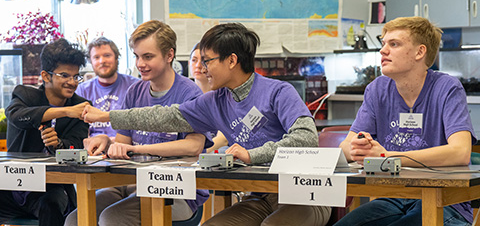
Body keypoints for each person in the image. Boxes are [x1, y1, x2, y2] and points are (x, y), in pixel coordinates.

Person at [82, 23, 331, 226]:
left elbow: (305, 138)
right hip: (259, 196)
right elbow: (164, 116)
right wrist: (106, 117)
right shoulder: (214, 100)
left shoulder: (278, 92)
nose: (200, 69)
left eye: (207, 61)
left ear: (231, 60)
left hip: (304, 195)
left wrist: (251, 155)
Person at [65, 20, 210, 226]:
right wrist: (107, 141)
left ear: (169, 55)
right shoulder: (135, 91)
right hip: (128, 182)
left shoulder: (190, 92)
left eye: (148, 57)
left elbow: (193, 146)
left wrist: (136, 148)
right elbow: (123, 144)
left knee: (112, 218)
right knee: (74, 220)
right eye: (137, 56)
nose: (140, 64)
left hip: (175, 189)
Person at [334, 16, 476, 226]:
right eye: (383, 43)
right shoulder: (377, 90)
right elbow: (346, 147)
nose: (383, 51)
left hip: (445, 201)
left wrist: (387, 157)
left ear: (420, 52)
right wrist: (357, 149)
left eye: (394, 44)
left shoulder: (447, 88)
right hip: (393, 196)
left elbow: (461, 152)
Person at [3, 38, 90, 226]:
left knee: (52, 204)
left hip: (50, 188)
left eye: (76, 76)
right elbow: (16, 116)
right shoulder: (26, 95)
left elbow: (77, 143)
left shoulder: (81, 106)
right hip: (11, 184)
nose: (72, 82)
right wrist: (64, 111)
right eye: (65, 75)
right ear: (45, 75)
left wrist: (58, 144)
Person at [76, 36, 139, 138]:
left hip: (124, 147)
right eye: (96, 57)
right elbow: (79, 130)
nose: (102, 61)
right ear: (91, 62)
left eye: (107, 55)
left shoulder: (136, 87)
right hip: (93, 150)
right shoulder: (82, 91)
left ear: (116, 57)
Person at [189, 43, 228, 153]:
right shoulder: (185, 94)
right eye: (194, 60)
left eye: (204, 61)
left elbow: (222, 140)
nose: (198, 65)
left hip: (211, 153)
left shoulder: (223, 97)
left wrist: (197, 153)